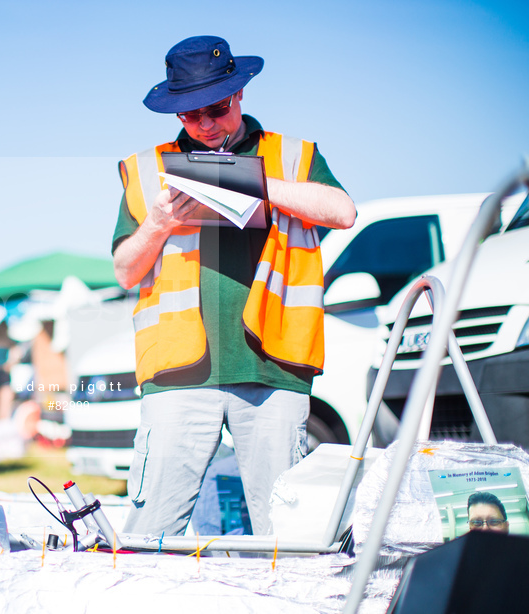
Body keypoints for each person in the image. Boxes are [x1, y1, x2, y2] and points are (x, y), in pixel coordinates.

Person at [113, 36, 356, 537]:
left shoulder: (291, 156)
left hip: (272, 367)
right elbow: (125, 272)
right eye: (188, 114)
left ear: (240, 93)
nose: (204, 124)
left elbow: (343, 212)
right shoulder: (144, 170)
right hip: (178, 370)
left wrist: (256, 186)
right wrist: (157, 225)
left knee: (287, 536)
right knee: (149, 533)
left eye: (216, 108)